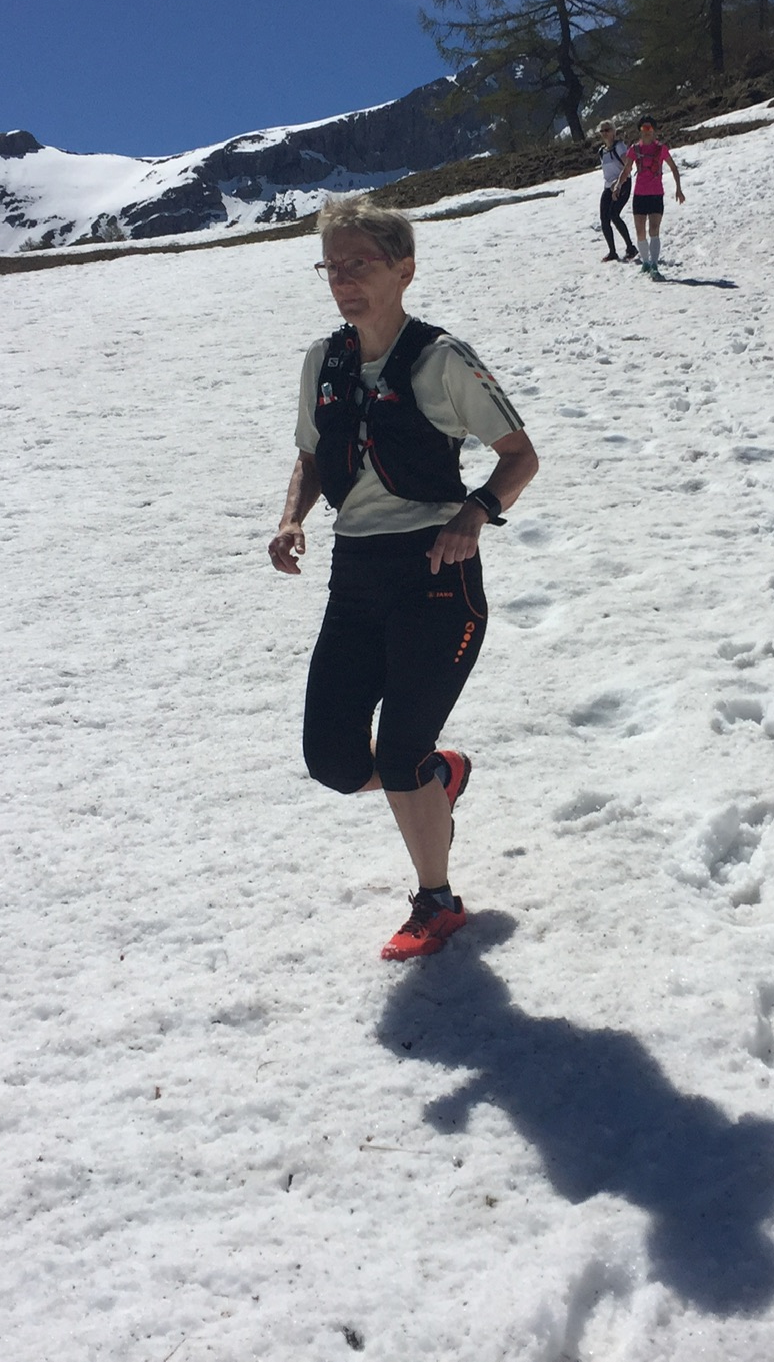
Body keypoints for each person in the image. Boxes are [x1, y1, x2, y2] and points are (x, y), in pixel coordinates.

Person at [269, 196, 539, 961]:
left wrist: (476, 512)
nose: (341, 279)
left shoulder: (440, 358)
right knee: (334, 761)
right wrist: (292, 517)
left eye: (359, 263)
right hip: (355, 575)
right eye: (331, 265)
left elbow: (520, 455)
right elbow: (314, 455)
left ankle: (437, 899)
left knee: (398, 750)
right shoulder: (324, 362)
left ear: (403, 269)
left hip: (435, 573)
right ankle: (436, 775)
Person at [623, 116, 685, 275]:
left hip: (656, 194)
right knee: (640, 231)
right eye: (644, 129)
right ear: (640, 131)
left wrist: (678, 188)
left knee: (654, 229)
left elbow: (674, 168)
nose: (647, 132)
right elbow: (627, 169)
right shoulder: (634, 150)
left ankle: (654, 265)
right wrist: (617, 185)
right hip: (639, 194)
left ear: (654, 130)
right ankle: (645, 262)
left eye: (649, 128)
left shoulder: (661, 149)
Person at [596, 120, 633, 262]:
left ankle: (630, 247)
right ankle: (612, 251)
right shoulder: (602, 151)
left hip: (622, 183)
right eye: (602, 131)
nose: (605, 133)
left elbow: (628, 165)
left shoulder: (620, 147)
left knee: (614, 214)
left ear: (613, 131)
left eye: (607, 130)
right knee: (604, 218)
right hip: (608, 186)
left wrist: (618, 183)